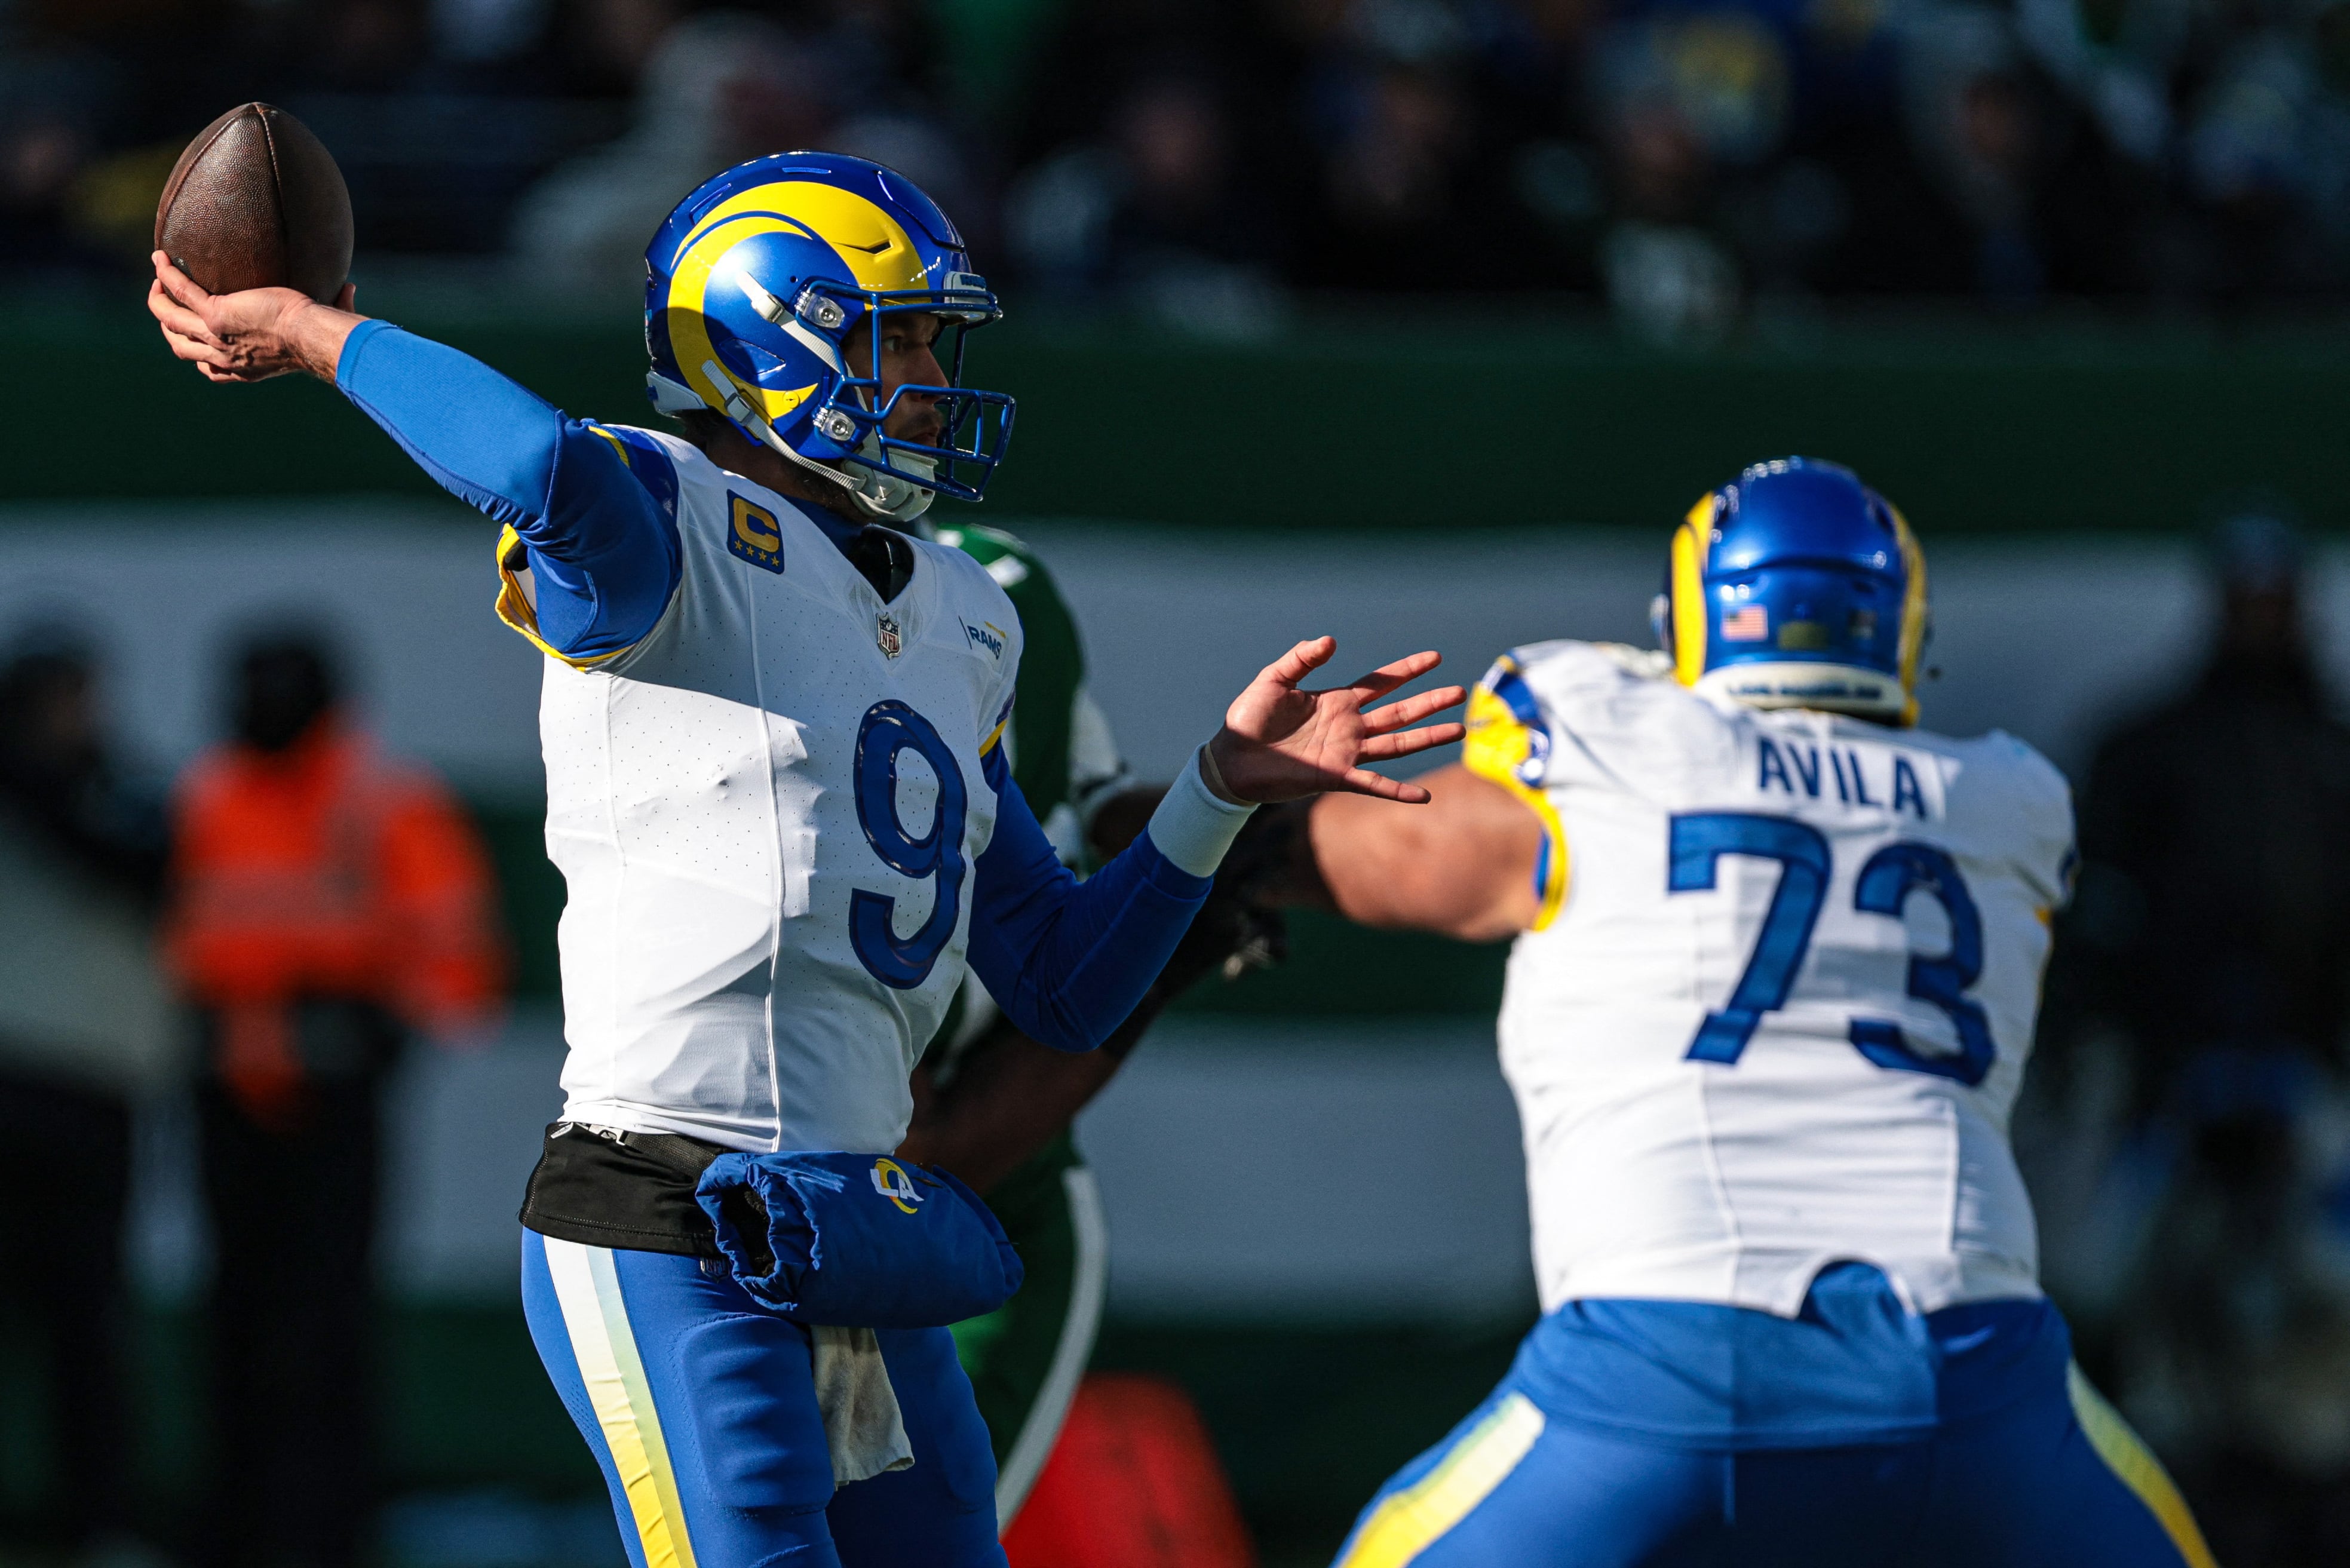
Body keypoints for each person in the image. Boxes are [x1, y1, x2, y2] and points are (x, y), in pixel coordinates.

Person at [145, 151, 1465, 1568]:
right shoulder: (671, 524)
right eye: (897, 338)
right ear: (770, 332)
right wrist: (302, 327)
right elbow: (536, 466)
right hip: (663, 1210)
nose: (928, 378)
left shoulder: (966, 609)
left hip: (854, 1218)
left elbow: (1064, 985)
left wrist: (1213, 790)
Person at [1266, 458, 2218, 1567]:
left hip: (1666, 1370)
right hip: (1977, 1380)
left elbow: (1418, 850)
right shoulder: (2003, 800)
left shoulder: (1602, 734)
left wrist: (1208, 848)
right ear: (1896, 630)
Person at [897, 518, 1285, 1527]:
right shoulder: (721, 598)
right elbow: (916, 1156)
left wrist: (1247, 823)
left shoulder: (994, 587)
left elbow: (1090, 833)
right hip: (763, 1188)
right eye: (894, 345)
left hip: (980, 1181)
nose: (929, 389)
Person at [2038, 513, 2350, 1564]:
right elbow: (2091, 916)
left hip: (2311, 1078)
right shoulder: (2148, 748)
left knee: (2321, 1332)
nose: (2261, 618)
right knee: (2127, 1299)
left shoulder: (2330, 752)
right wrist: (2086, 1042)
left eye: (2277, 598)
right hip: (2168, 1083)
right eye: (2243, 599)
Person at [162, 632, 507, 1568]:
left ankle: (322, 1530)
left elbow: (457, 952)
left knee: (324, 1318)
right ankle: (238, 1525)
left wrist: (390, 1026)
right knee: (237, 1312)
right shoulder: (207, 795)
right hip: (226, 1088)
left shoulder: (382, 803)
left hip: (338, 1091)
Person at [0, 628, 172, 1563]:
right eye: (68, 699)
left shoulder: (123, 795)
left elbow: (151, 869)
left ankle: (95, 1520)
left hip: (97, 1090)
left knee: (85, 1322)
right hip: (26, 1080)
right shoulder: (80, 795)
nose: (84, 717)